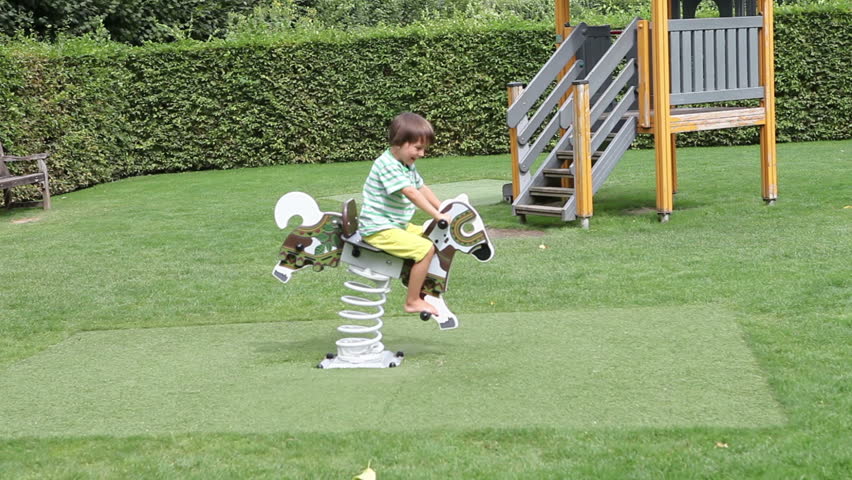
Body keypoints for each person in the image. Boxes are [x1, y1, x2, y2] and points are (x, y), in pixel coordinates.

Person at [359, 112, 450, 316]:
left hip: (394, 224)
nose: (421, 154)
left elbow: (421, 187)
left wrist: (443, 207)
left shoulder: (405, 164)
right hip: (378, 228)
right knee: (425, 249)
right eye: (418, 148)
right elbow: (411, 193)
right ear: (399, 142)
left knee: (429, 234)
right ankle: (412, 301)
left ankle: (427, 288)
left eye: (424, 149)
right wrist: (437, 215)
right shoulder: (387, 165)